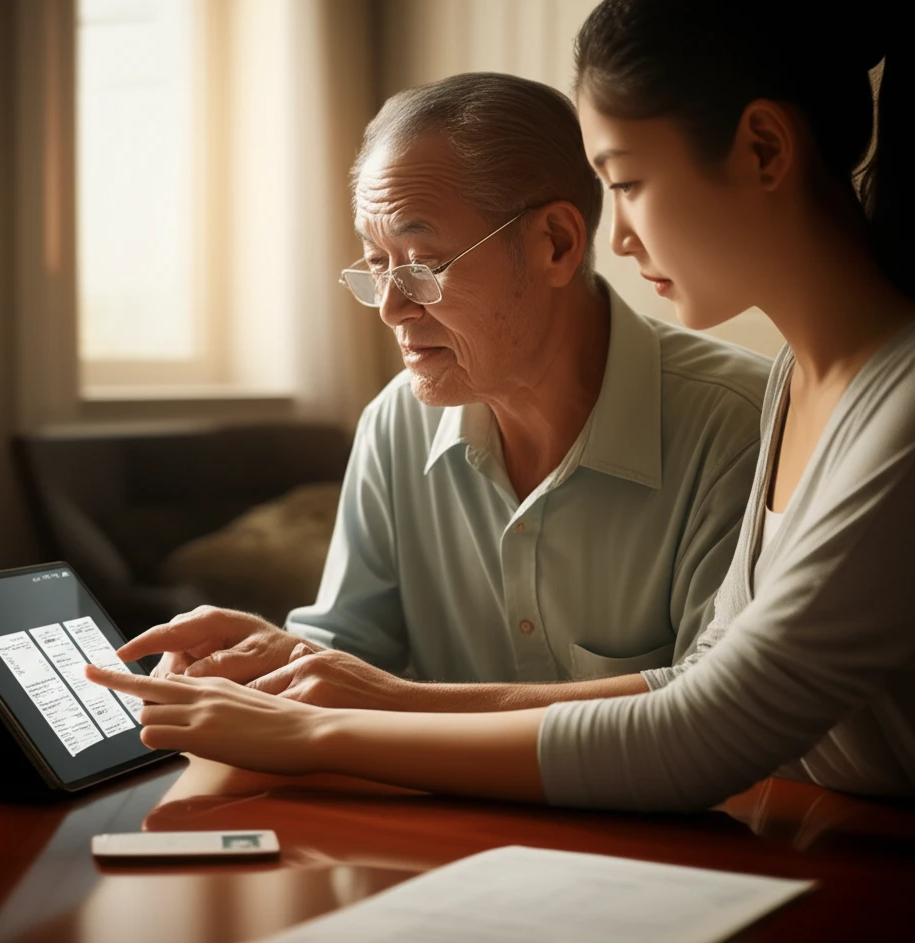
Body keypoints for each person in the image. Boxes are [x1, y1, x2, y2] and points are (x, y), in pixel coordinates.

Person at [88, 0, 915, 812]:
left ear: (765, 148)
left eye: (625, 182)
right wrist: (305, 681)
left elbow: (705, 728)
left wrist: (324, 730)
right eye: (373, 266)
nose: (618, 238)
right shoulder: (795, 384)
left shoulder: (849, 405)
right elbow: (710, 686)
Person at [111, 72, 770, 714]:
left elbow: (712, 717)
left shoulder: (743, 423)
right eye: (375, 263)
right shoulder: (395, 423)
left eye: (423, 265)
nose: (391, 308)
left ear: (556, 243)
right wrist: (269, 660)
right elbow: (349, 653)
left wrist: (393, 701)